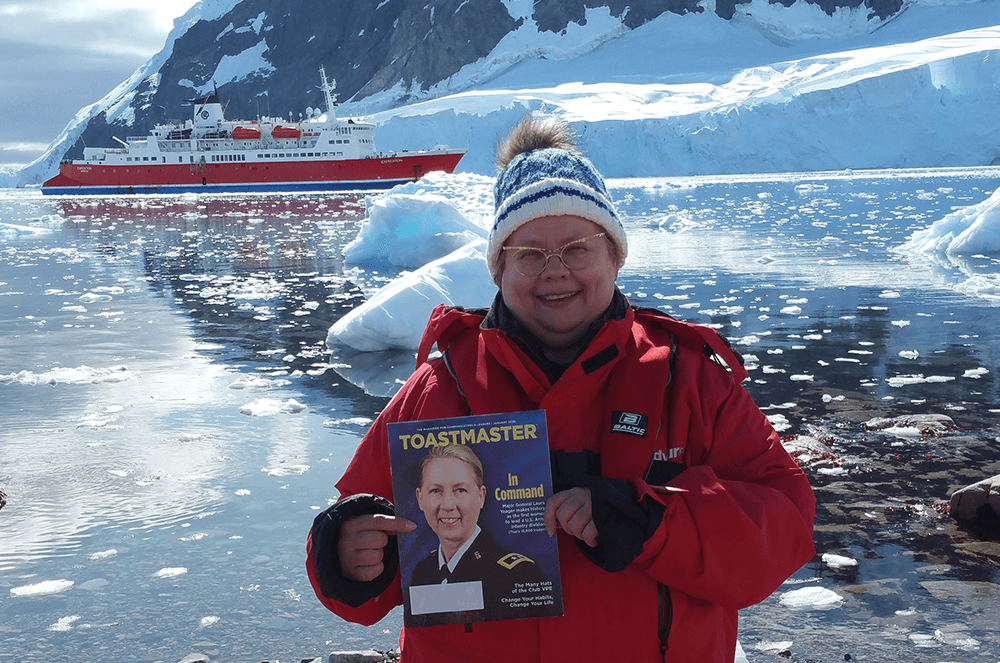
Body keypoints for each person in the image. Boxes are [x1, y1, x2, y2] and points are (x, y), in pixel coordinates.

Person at [306, 113, 816, 663]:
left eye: (577, 247)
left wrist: (653, 520)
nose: (554, 271)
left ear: (615, 255)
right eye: (528, 254)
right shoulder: (440, 387)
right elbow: (363, 571)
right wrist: (345, 553)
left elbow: (784, 525)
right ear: (498, 269)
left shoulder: (687, 379)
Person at [406, 445, 548, 625]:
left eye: (460, 490)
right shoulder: (422, 571)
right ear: (420, 498)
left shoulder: (516, 574)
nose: (448, 505)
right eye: (436, 490)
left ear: (481, 496)